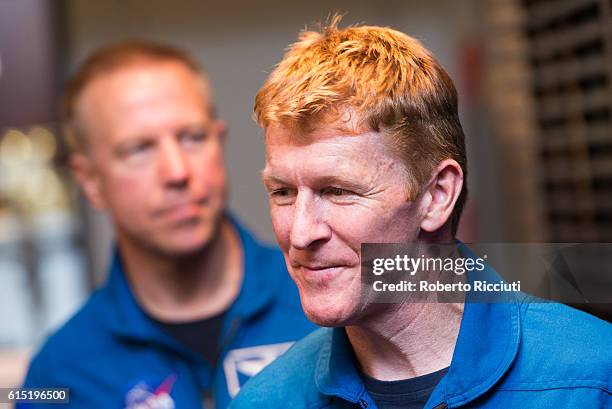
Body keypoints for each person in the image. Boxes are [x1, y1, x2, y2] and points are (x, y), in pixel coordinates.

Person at [230, 18, 612, 409]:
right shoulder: (266, 401)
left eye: (337, 191)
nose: (299, 233)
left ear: (437, 195)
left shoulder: (590, 380)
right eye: (282, 192)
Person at [20, 41, 316, 409]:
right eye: (138, 149)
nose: (177, 172)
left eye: (192, 137)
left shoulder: (343, 286)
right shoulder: (58, 375)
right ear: (90, 182)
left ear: (219, 143)